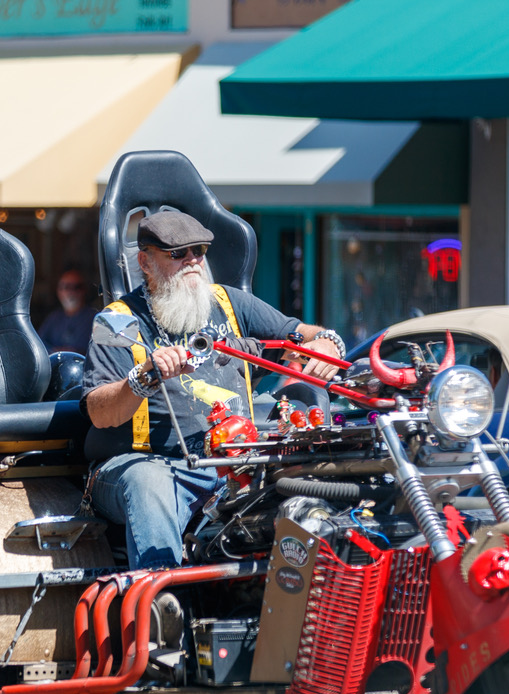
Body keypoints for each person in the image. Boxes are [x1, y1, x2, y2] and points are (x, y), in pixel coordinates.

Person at [82, 210, 345, 571]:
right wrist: (144, 376)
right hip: (150, 463)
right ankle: (163, 602)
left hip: (232, 461)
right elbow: (99, 412)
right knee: (149, 481)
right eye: (177, 253)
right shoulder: (118, 320)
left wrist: (329, 342)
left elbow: (300, 334)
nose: (192, 261)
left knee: (313, 471)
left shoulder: (228, 302)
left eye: (199, 251)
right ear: (144, 261)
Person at [37, 267, 96, 354]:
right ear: (58, 290)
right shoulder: (53, 317)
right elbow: (39, 344)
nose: (71, 292)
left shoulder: (94, 318)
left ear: (85, 290)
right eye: (66, 287)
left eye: (77, 287)